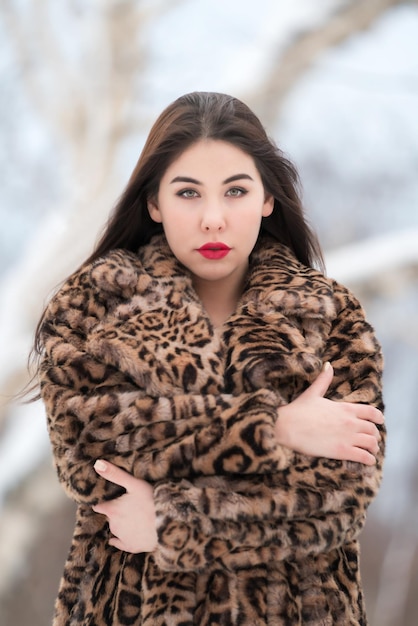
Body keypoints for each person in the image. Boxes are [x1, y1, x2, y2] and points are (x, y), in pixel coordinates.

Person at [34, 91, 385, 626]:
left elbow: (339, 497)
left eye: (236, 191)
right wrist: (276, 428)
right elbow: (91, 450)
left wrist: (172, 522)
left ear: (268, 199)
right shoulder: (95, 305)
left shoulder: (330, 314)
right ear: (154, 203)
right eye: (189, 193)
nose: (214, 219)